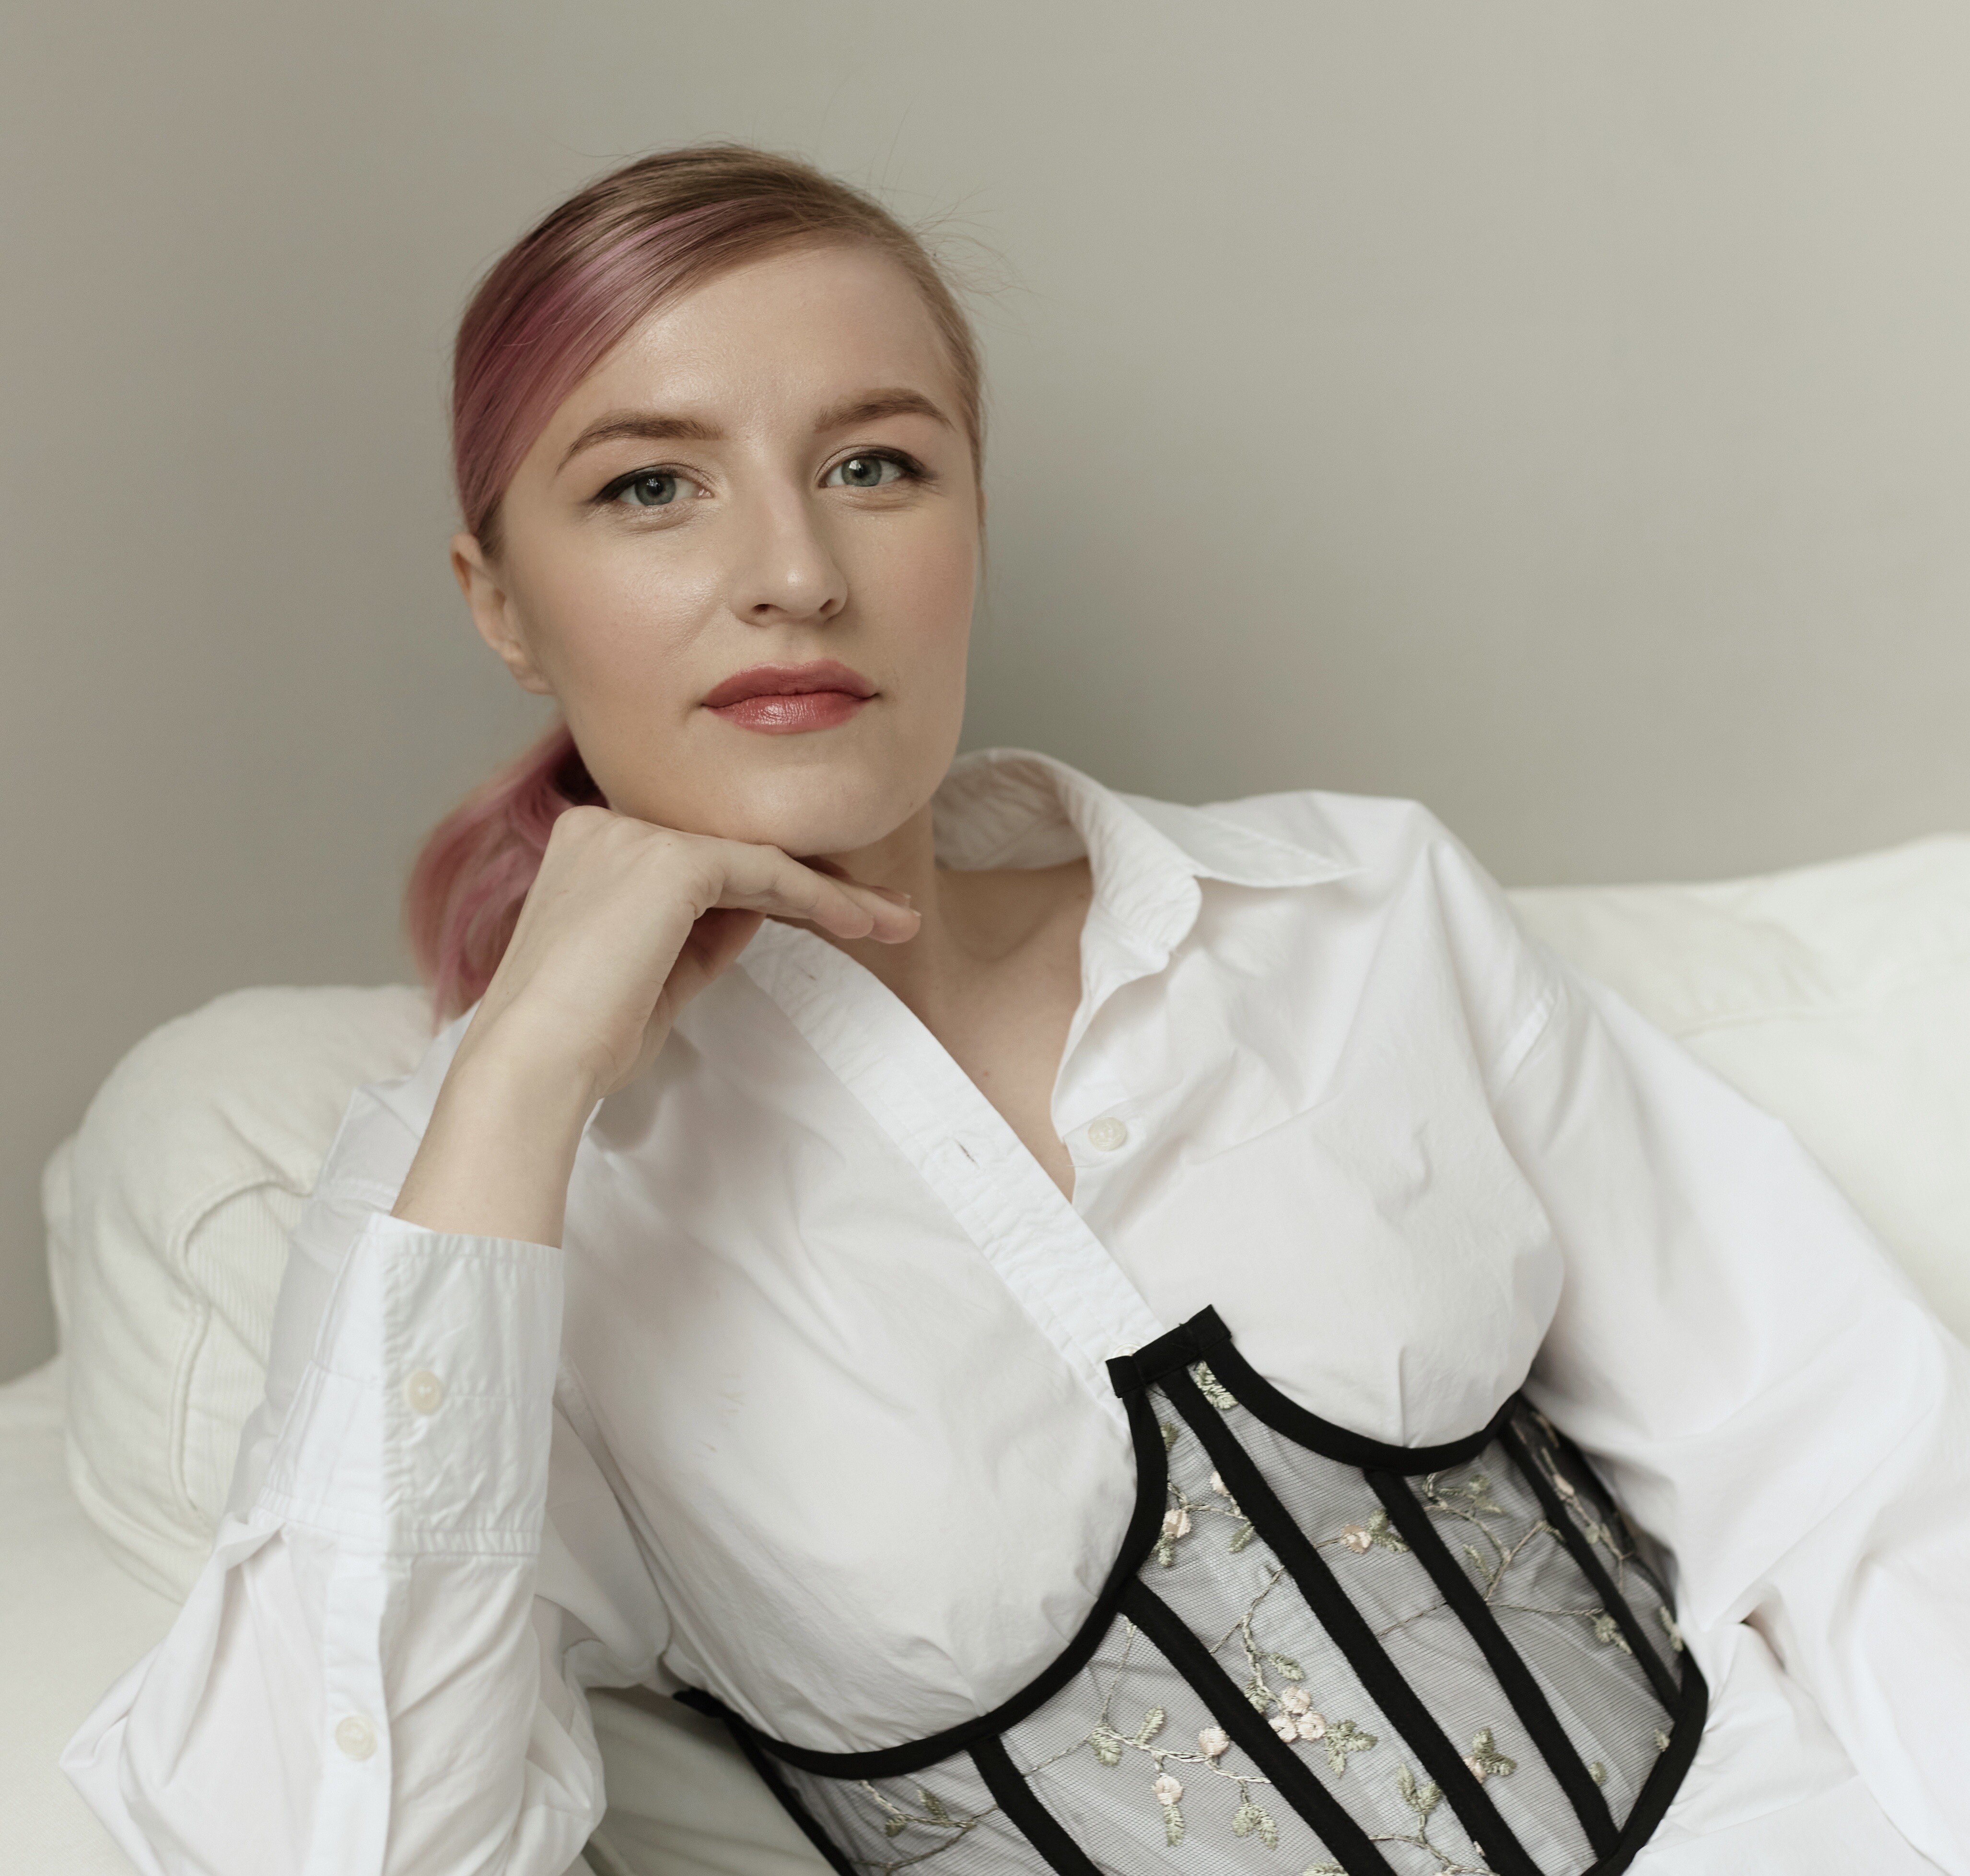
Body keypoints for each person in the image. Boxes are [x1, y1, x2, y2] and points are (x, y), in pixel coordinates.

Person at [61, 147, 1970, 1876]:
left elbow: (1844, 1461)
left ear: (972, 517)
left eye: (873, 466)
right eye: (651, 486)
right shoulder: (486, 1211)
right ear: (499, 602)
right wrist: (525, 1078)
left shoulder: (1348, 914)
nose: (793, 574)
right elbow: (347, 1846)